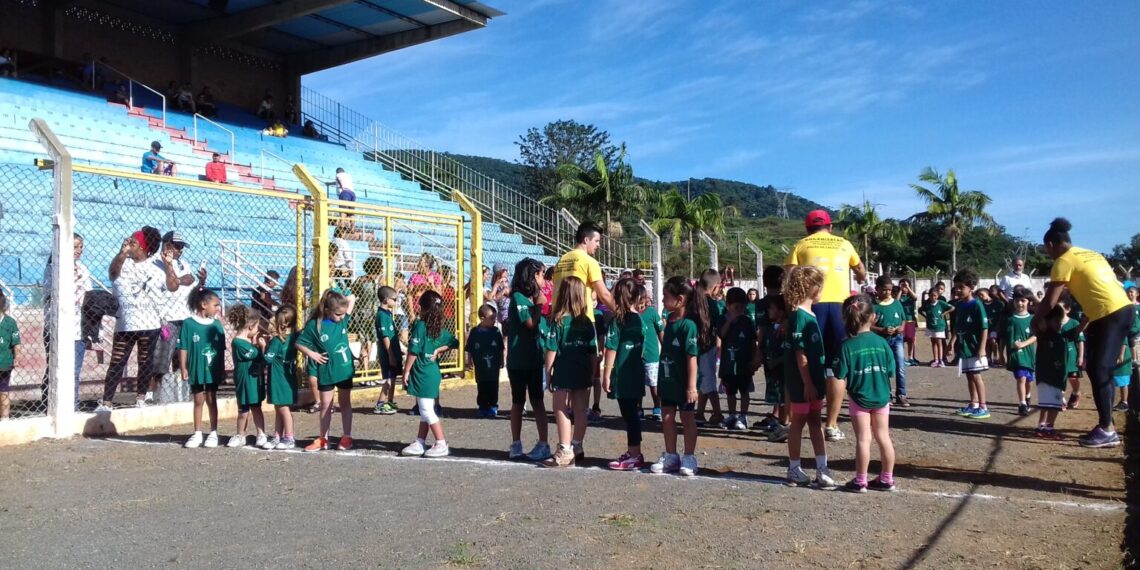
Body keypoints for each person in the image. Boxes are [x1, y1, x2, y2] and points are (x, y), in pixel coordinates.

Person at [1034, 218, 1132, 448]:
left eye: (1047, 249)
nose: (1048, 254)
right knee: (1096, 368)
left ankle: (1107, 430)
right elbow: (1099, 286)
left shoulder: (1062, 261)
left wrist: (1035, 320)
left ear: (1051, 244)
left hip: (1110, 314)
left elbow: (1051, 299)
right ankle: (1106, 427)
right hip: (1120, 310)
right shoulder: (1091, 254)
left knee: (1099, 369)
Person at [784, 210, 867, 442]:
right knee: (836, 368)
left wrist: (789, 312)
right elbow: (860, 270)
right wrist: (861, 280)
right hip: (841, 308)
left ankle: (795, 419)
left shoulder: (801, 244)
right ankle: (831, 424)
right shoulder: (844, 243)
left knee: (803, 359)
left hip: (812, 306)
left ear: (807, 229)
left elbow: (789, 277)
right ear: (830, 228)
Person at [98, 226, 169, 412]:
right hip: (125, 322)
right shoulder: (123, 262)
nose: (130, 243)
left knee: (145, 361)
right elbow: (112, 274)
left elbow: (171, 286)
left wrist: (170, 267)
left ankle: (140, 399)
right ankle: (106, 402)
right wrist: (122, 253)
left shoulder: (156, 266)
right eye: (129, 240)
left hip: (149, 322)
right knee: (117, 361)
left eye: (134, 242)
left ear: (144, 247)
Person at [835, 294, 898, 493]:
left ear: (846, 319)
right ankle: (887, 478)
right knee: (883, 436)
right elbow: (891, 371)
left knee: (863, 439)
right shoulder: (882, 343)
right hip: (881, 396)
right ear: (873, 317)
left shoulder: (846, 346)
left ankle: (861, 480)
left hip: (859, 398)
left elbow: (839, 375)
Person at [782, 265, 836, 489]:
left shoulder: (812, 314)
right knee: (799, 423)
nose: (822, 289)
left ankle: (822, 468)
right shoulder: (798, 317)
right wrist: (807, 383)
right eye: (819, 285)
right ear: (809, 287)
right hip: (804, 383)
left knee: (816, 421)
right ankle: (794, 468)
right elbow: (800, 354)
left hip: (815, 380)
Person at [650, 277, 708, 477]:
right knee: (667, 417)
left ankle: (689, 456)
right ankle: (671, 455)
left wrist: (692, 386)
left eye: (666, 296)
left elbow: (691, 358)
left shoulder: (688, 326)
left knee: (687, 417)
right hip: (668, 381)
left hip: (684, 382)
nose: (663, 300)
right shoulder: (669, 322)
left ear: (680, 299)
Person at [541, 277, 598, 468]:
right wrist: (592, 372)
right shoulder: (587, 322)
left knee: (560, 408)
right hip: (582, 369)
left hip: (564, 370)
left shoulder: (558, 321)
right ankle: (577, 446)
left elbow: (551, 350)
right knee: (581, 409)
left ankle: (565, 450)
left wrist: (548, 373)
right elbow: (592, 351)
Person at [400, 291, 459, 458]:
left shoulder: (420, 325)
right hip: (432, 371)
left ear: (422, 307)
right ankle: (420, 441)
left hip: (422, 371)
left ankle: (441, 443)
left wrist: (406, 371)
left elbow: (414, 350)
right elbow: (455, 342)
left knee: (426, 409)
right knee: (425, 408)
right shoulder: (439, 326)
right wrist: (439, 349)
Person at [296, 290, 356, 452]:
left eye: (344, 313)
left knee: (345, 403)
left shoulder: (342, 320)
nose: (342, 317)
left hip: (344, 370)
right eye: (338, 314)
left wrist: (336, 294)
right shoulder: (315, 325)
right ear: (327, 311)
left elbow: (352, 298)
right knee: (325, 405)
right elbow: (299, 343)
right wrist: (312, 354)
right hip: (326, 372)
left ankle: (347, 436)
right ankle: (323, 439)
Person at [505, 258, 551, 462]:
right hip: (518, 361)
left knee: (538, 401)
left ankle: (543, 443)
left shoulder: (530, 298)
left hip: (533, 359)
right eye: (541, 274)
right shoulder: (518, 298)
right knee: (518, 401)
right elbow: (531, 323)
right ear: (532, 276)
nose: (544, 279)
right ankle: (516, 443)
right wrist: (540, 306)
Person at [40, 232, 91, 409]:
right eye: (75, 246)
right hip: (56, 327)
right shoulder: (53, 269)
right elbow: (53, 295)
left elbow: (88, 296)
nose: (79, 250)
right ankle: (50, 402)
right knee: (55, 367)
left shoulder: (83, 269)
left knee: (74, 371)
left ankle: (72, 405)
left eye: (81, 247)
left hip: (78, 327)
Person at [147, 231, 199, 406]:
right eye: (177, 246)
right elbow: (172, 285)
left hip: (185, 315)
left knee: (183, 357)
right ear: (166, 244)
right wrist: (176, 278)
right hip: (166, 316)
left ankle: (180, 391)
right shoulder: (154, 263)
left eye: (182, 247)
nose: (180, 250)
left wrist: (177, 279)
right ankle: (149, 393)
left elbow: (191, 278)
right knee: (162, 358)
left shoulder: (183, 263)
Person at [602, 279, 648, 470]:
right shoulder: (640, 319)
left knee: (629, 415)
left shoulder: (618, 320)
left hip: (623, 373)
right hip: (636, 372)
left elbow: (611, 348)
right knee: (633, 414)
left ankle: (634, 454)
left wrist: (606, 373)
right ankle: (634, 452)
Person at [180, 288, 226, 448]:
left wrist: (222, 370)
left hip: (212, 370)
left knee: (212, 399)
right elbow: (183, 347)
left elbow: (221, 350)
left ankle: (213, 433)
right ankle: (197, 433)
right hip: (196, 369)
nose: (218, 308)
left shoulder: (217, 325)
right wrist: (183, 367)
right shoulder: (188, 323)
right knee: (198, 399)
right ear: (203, 304)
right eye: (216, 304)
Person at [552, 222, 618, 319]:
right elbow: (604, 295)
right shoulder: (590, 262)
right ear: (586, 240)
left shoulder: (561, 260)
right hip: (581, 320)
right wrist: (622, 313)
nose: (598, 245)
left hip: (559, 319)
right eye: (596, 241)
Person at [226, 304, 267, 448]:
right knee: (243, 410)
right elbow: (255, 355)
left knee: (256, 407)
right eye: (256, 327)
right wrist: (261, 347)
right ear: (250, 325)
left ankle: (261, 434)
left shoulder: (247, 342)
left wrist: (255, 344)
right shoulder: (238, 342)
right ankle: (240, 435)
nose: (257, 330)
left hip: (254, 380)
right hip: (244, 381)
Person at [753, 266, 787, 438]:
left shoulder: (761, 304)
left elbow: (762, 330)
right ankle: (779, 417)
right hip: (786, 351)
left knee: (777, 386)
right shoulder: (788, 301)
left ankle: (782, 422)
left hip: (771, 350)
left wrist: (759, 352)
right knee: (783, 386)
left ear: (764, 282)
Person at [1034, 304, 1077, 440]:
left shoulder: (1062, 335)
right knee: (1051, 404)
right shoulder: (1043, 335)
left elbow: (1077, 331)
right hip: (1048, 376)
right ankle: (1048, 428)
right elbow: (1038, 319)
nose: (1059, 324)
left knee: (1048, 403)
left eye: (1060, 321)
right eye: (1056, 321)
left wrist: (1086, 320)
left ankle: (1042, 426)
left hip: (1058, 376)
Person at [952, 269, 991, 420]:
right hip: (965, 347)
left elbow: (984, 328)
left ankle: (983, 406)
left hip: (975, 348)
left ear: (971, 287)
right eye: (956, 287)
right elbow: (957, 327)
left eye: (961, 287)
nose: (958, 290)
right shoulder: (960, 305)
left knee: (976, 376)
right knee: (969, 375)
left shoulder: (977, 305)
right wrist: (951, 343)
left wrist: (982, 348)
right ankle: (973, 404)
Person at [719, 287, 757, 430]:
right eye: (735, 307)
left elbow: (753, 341)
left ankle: (743, 416)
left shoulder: (747, 321)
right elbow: (721, 334)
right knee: (730, 391)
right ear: (728, 306)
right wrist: (730, 321)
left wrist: (754, 360)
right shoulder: (723, 319)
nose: (739, 310)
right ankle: (732, 415)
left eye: (742, 307)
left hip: (744, 363)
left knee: (745, 391)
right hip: (728, 364)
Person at [263, 304, 298, 449]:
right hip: (288, 378)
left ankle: (289, 437)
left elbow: (268, 359)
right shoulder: (295, 337)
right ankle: (278, 435)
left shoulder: (277, 341)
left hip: (279, 379)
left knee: (283, 408)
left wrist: (262, 345)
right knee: (280, 408)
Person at [871, 275, 909, 407]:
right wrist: (882, 330)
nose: (887, 293)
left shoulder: (896, 303)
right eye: (884, 290)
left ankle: (901, 394)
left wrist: (901, 328)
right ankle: (887, 395)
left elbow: (903, 320)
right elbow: (868, 325)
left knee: (900, 366)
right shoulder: (874, 306)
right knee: (884, 368)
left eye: (889, 290)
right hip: (881, 341)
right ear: (877, 289)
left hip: (897, 339)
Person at [695, 269, 725, 426]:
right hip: (708, 346)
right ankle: (718, 413)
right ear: (716, 286)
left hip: (696, 347)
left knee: (703, 381)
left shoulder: (694, 301)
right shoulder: (714, 305)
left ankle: (700, 413)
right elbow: (720, 327)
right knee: (709, 382)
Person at [466, 304, 504, 418]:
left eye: (495, 318)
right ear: (482, 318)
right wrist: (469, 361)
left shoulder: (496, 332)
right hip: (480, 367)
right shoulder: (474, 332)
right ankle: (482, 406)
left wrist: (501, 360)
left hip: (493, 367)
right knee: (482, 385)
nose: (494, 321)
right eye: (491, 318)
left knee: (493, 385)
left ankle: (493, 406)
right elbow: (470, 348)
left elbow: (500, 348)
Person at [372, 286, 404, 415]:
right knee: (388, 379)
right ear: (386, 300)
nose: (396, 302)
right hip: (387, 352)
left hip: (394, 350)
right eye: (394, 299)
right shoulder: (381, 315)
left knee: (393, 376)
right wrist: (390, 354)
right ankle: (380, 404)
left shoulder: (388, 314)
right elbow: (385, 336)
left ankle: (389, 401)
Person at [1006, 291, 1037, 416]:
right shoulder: (1010, 319)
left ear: (1029, 303)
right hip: (1016, 355)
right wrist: (1002, 353)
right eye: (1017, 300)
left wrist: (1024, 344)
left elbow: (1036, 336)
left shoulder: (1033, 319)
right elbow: (1003, 337)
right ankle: (1022, 403)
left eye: (1023, 301)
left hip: (1029, 354)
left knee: (1029, 380)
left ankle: (1027, 396)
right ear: (1013, 302)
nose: (1020, 303)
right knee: (1021, 378)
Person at [350, 257, 383, 372]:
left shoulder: (375, 281)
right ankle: (365, 370)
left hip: (368, 313)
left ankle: (364, 369)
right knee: (367, 342)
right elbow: (354, 292)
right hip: (366, 313)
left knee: (369, 342)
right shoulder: (365, 281)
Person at [639, 287, 664, 422]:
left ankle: (657, 408)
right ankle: (639, 408)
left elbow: (661, 332)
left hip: (652, 356)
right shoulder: (632, 314)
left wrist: (665, 350)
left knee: (654, 385)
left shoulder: (652, 313)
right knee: (638, 385)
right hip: (636, 358)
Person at [918, 289, 952, 367]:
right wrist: (925, 316)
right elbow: (920, 310)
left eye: (935, 295)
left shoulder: (941, 303)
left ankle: (941, 360)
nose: (933, 297)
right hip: (931, 326)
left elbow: (952, 307)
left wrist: (944, 313)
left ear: (937, 296)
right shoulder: (927, 305)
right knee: (933, 342)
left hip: (939, 326)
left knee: (939, 342)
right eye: (931, 295)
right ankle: (935, 359)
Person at [0, 290, 20, 420]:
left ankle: (5, 418)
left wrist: (17, 357)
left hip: (4, 363)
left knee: (3, 391)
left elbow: (16, 343)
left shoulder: (9, 322)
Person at [978, 287, 1006, 367]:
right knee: (986, 342)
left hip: (995, 328)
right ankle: (989, 358)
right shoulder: (981, 304)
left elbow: (1001, 316)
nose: (980, 297)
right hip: (985, 328)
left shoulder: (998, 303)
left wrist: (998, 327)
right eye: (979, 295)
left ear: (987, 293)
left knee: (993, 341)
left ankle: (995, 357)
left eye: (982, 294)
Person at [898, 279, 919, 366]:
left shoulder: (910, 297)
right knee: (901, 340)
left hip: (910, 320)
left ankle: (910, 357)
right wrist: (900, 290)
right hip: (902, 321)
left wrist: (908, 287)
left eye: (906, 286)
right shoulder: (899, 295)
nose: (904, 288)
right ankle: (901, 358)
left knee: (911, 340)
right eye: (902, 286)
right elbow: (896, 301)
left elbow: (915, 297)